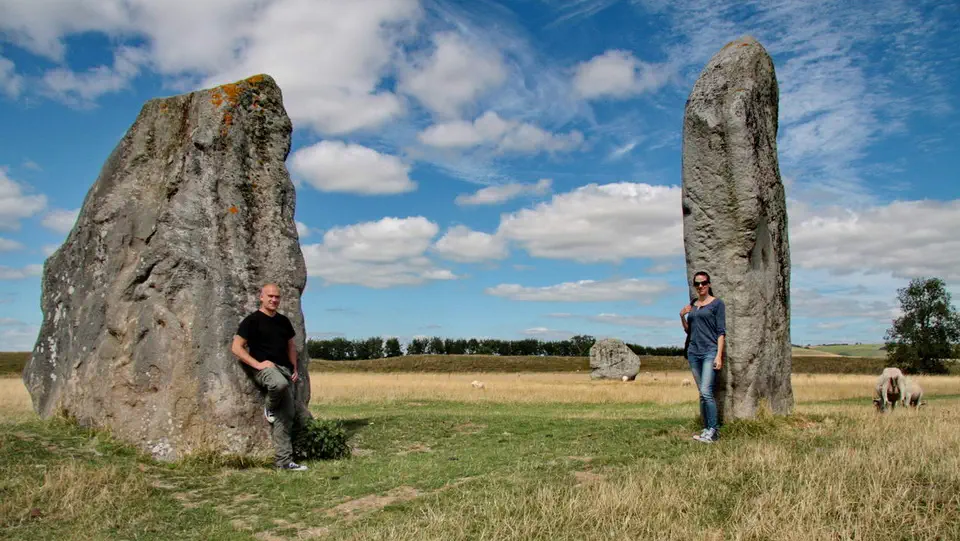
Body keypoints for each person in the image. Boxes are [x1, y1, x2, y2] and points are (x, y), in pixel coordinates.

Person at [231, 283, 308, 471]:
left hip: (284, 368)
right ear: (261, 297)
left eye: (277, 297)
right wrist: (258, 364)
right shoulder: (252, 321)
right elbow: (236, 347)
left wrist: (294, 367)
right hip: (265, 369)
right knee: (279, 384)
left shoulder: (283, 321)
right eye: (270, 296)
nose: (274, 300)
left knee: (287, 416)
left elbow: (291, 345)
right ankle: (270, 407)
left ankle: (284, 462)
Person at [679, 271, 726, 443]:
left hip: (709, 352)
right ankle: (706, 429)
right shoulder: (693, 305)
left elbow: (721, 332)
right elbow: (688, 330)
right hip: (694, 352)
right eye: (697, 284)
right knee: (702, 393)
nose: (700, 286)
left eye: (704, 283)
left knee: (707, 392)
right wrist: (682, 316)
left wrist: (719, 356)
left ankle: (714, 431)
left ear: (709, 284)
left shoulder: (717, 304)